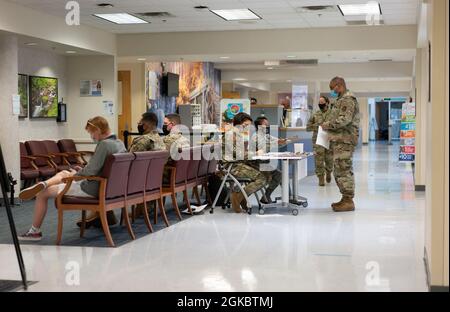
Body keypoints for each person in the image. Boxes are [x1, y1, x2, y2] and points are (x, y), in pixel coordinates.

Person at [18, 116, 126, 241]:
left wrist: (74, 176)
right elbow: (97, 168)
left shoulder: (104, 145)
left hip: (93, 188)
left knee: (43, 193)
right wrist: (79, 172)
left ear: (97, 130)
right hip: (110, 188)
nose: (91, 136)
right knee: (65, 173)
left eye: (91, 132)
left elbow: (91, 170)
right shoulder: (119, 143)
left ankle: (34, 231)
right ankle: (45, 183)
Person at [321, 77, 360, 212]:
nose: (332, 91)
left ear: (339, 85)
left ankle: (348, 200)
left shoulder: (348, 99)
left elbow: (345, 119)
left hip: (345, 139)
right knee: (339, 168)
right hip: (339, 139)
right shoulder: (340, 99)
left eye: (333, 88)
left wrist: (328, 125)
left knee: (343, 168)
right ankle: (345, 198)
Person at [223, 113, 267, 213]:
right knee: (261, 178)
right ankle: (238, 197)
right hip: (232, 166)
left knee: (265, 173)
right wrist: (255, 153)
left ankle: (241, 198)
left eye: (248, 125)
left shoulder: (237, 134)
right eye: (245, 125)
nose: (247, 128)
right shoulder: (231, 135)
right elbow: (239, 155)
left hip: (238, 163)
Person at [129, 112, 167, 218]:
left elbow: (130, 160)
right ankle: (144, 207)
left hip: (142, 180)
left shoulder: (142, 140)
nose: (139, 125)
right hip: (156, 178)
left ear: (146, 125)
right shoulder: (160, 139)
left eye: (140, 123)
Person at [249, 116, 284, 204]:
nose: (267, 126)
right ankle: (267, 196)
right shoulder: (255, 136)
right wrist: (275, 143)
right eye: (265, 124)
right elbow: (263, 147)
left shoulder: (266, 135)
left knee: (280, 174)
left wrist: (282, 141)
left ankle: (289, 197)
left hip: (264, 163)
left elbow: (276, 141)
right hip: (256, 164)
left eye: (268, 124)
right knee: (279, 174)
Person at [306, 96, 334, 186]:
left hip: (330, 139)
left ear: (327, 103)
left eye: (322, 102)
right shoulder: (315, 114)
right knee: (318, 160)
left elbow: (338, 126)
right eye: (319, 103)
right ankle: (321, 178)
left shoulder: (333, 114)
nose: (320, 104)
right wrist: (318, 126)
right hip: (317, 140)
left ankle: (329, 172)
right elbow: (308, 127)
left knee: (329, 159)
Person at [162, 113, 190, 184]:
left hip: (167, 176)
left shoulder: (169, 141)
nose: (163, 125)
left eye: (165, 123)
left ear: (172, 124)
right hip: (181, 175)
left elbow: (162, 158)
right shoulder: (185, 140)